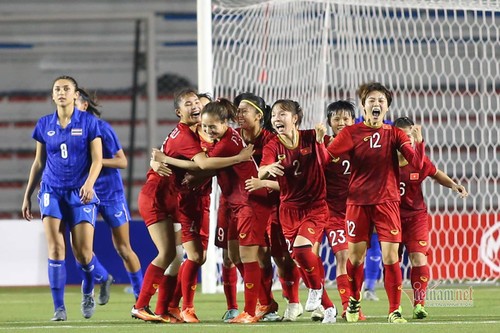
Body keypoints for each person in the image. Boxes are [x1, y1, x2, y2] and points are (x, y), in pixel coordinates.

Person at [154, 98, 272, 324]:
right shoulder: (226, 139)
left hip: (249, 203)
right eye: (205, 127)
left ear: (225, 122)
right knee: (234, 256)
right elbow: (211, 167)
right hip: (236, 205)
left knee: (247, 257)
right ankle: (258, 305)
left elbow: (205, 165)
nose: (208, 130)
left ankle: (251, 310)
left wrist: (169, 162)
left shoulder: (226, 143)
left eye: (212, 126)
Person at [326, 82, 426, 323]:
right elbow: (326, 156)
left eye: (381, 101)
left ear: (387, 108)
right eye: (371, 100)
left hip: (388, 203)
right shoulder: (351, 133)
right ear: (363, 106)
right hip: (358, 204)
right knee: (356, 258)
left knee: (391, 257)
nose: (376, 104)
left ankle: (395, 310)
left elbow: (417, 164)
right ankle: (354, 300)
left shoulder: (395, 134)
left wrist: (419, 144)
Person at [21, 76, 103, 321]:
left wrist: (89, 184)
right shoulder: (44, 124)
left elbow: (97, 159)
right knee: (56, 249)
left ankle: (87, 291)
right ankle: (59, 308)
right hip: (51, 191)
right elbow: (38, 162)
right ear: (52, 95)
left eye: (66, 89)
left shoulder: (89, 122)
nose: (61, 92)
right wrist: (27, 196)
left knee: (84, 254)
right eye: (57, 89)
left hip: (80, 192)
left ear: (75, 94)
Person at [258, 99, 337, 324]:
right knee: (300, 259)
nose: (276, 118)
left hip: (315, 207)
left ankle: (315, 289)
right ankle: (329, 308)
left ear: (295, 118)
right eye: (273, 115)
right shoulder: (272, 145)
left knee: (303, 251)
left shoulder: (312, 136)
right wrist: (266, 169)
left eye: (282, 114)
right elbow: (261, 171)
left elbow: (326, 162)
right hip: (288, 211)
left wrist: (322, 142)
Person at [394, 116, 468, 319]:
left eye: (408, 136)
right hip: (389, 217)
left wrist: (454, 185)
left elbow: (435, 173)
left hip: (416, 216)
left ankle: (419, 304)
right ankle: (395, 306)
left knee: (418, 257)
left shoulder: (417, 160)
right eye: (401, 136)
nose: (405, 140)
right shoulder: (383, 161)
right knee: (391, 262)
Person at [75, 88, 143, 304]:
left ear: (84, 105)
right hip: (85, 193)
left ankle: (140, 297)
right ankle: (104, 277)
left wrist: (97, 161)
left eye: (74, 100)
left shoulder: (101, 128)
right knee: (81, 251)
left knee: (123, 248)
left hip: (111, 193)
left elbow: (122, 161)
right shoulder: (63, 130)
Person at [312, 100, 368, 321]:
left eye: (346, 118)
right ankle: (327, 305)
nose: (341, 122)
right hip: (321, 210)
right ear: (329, 122)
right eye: (336, 119)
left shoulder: (362, 144)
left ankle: (350, 306)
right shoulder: (323, 144)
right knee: (309, 258)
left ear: (354, 121)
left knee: (349, 258)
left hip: (349, 212)